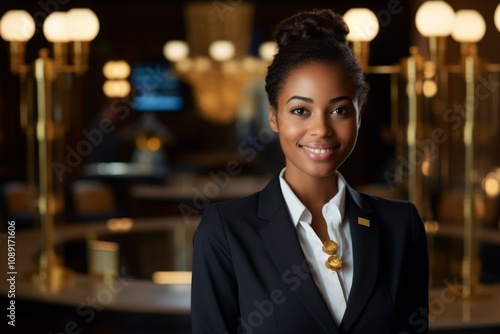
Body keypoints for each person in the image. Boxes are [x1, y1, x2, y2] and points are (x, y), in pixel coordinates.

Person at [191, 8, 429, 334]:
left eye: (340, 110)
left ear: (360, 113)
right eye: (300, 110)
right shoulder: (225, 232)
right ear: (273, 116)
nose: (321, 129)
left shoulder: (402, 226)